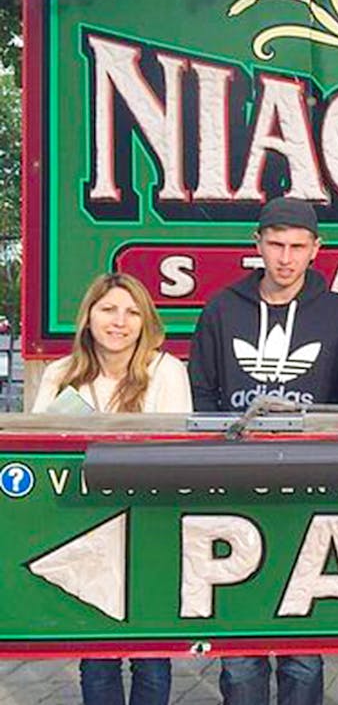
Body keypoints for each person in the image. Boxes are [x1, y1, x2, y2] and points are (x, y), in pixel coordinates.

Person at [188, 196, 338, 705]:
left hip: (307, 493)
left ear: (316, 250)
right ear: (257, 244)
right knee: (240, 652)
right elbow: (201, 394)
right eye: (276, 245)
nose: (285, 258)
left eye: (297, 247)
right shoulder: (222, 309)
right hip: (236, 491)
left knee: (303, 652)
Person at [33, 272, 191, 705]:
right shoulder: (60, 374)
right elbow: (45, 457)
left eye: (131, 312)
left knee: (151, 653)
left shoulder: (166, 371)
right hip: (84, 530)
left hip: (149, 528)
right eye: (108, 310)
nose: (119, 321)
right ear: (88, 317)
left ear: (146, 322)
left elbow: (176, 458)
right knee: (97, 655)